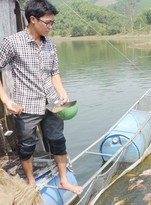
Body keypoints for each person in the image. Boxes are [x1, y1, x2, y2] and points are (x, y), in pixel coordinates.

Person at [0, 0, 83, 195]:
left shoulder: (50, 45)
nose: (50, 27)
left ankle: (64, 181)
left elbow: (54, 73)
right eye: (48, 23)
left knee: (57, 140)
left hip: (52, 104)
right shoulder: (12, 43)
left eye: (53, 23)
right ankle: (30, 182)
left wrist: (62, 92)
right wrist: (6, 101)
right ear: (32, 19)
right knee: (27, 145)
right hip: (26, 105)